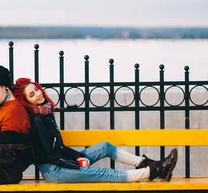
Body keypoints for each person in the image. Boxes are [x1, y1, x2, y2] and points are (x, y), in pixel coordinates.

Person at [11, 78, 177, 183]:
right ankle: (151, 172)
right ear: (27, 101)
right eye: (32, 95)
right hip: (54, 171)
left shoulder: (46, 114)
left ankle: (145, 163)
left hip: (62, 161)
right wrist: (76, 163)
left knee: (104, 147)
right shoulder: (37, 119)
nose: (38, 94)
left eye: (37, 89)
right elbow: (45, 155)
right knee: (104, 172)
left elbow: (59, 148)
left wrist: (78, 157)